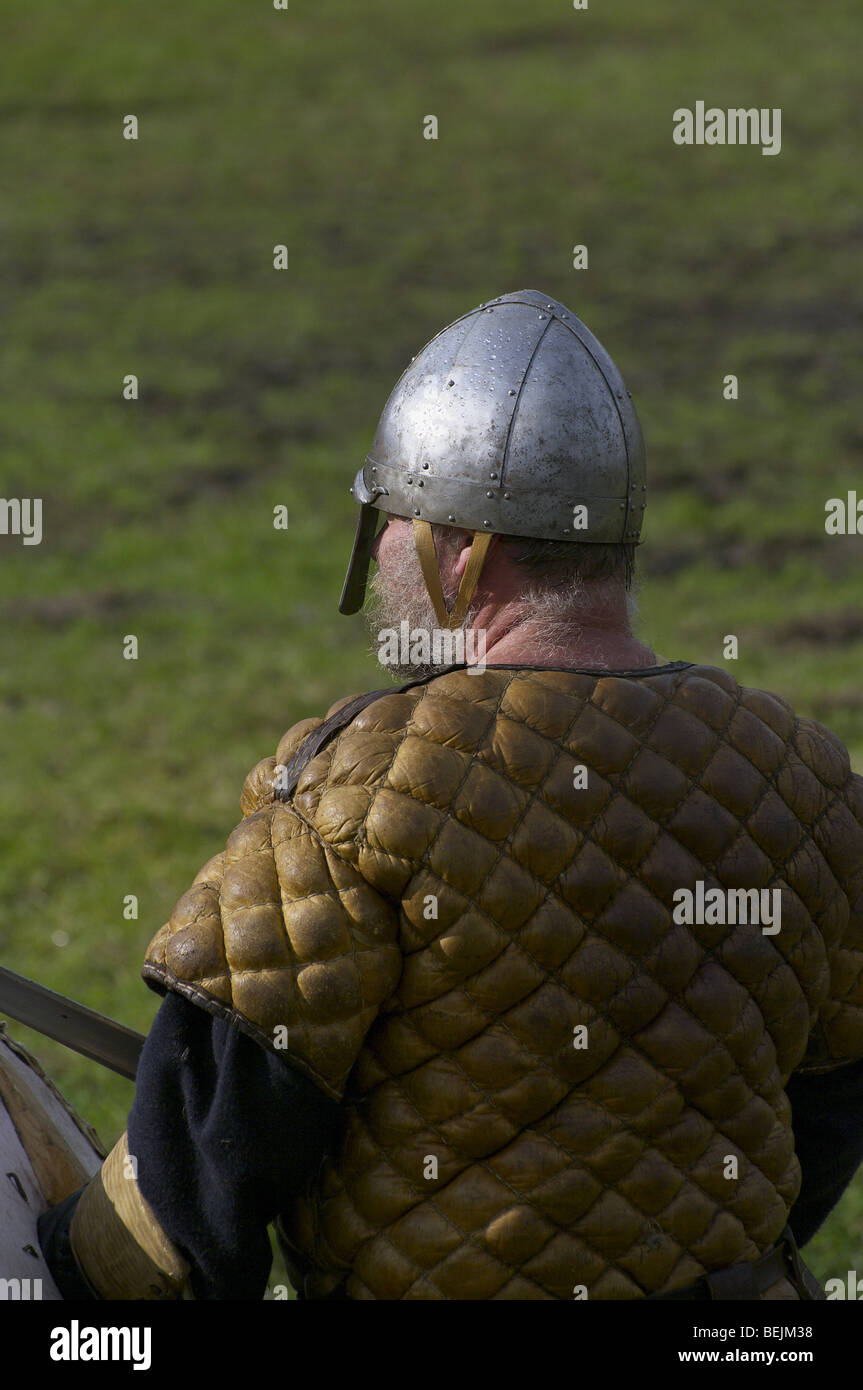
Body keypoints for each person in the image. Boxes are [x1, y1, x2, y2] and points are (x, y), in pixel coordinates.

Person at [39, 290, 863, 1300]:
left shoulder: (362, 790)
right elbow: (824, 1117)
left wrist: (61, 1262)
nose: (384, 551)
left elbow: (194, 1179)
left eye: (395, 522)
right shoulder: (805, 785)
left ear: (458, 551)